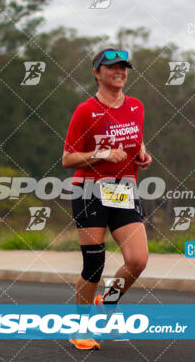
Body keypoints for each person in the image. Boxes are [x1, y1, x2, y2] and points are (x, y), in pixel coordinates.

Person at [62, 49, 152, 350]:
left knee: (138, 259)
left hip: (124, 190)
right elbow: (67, 158)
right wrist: (101, 154)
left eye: (123, 67)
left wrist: (142, 153)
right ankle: (80, 328)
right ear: (97, 72)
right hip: (88, 191)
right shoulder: (85, 111)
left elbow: (134, 138)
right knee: (94, 264)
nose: (120, 71)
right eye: (112, 67)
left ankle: (108, 299)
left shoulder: (136, 107)